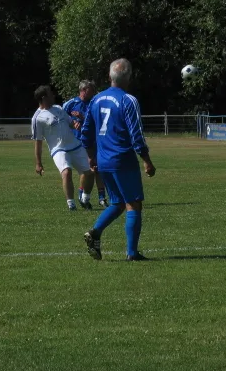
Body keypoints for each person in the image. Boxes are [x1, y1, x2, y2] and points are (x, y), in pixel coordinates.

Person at [81, 58, 156, 261]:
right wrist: (146, 160)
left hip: (104, 161)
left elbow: (86, 132)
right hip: (123, 159)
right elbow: (136, 134)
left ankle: (95, 232)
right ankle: (132, 253)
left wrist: (91, 156)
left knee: (118, 203)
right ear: (129, 77)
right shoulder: (128, 100)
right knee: (134, 203)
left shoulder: (96, 99)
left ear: (109, 76)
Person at [31, 85, 95, 211]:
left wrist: (75, 124)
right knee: (66, 172)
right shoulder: (37, 118)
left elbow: (70, 123)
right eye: (50, 93)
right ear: (44, 98)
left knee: (90, 173)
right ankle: (71, 205)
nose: (53, 95)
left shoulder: (58, 108)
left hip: (75, 146)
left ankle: (85, 199)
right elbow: (38, 142)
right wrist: (38, 163)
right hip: (58, 150)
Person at [63, 80, 109, 208]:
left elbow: (98, 120)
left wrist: (82, 118)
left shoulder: (95, 103)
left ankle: (101, 198)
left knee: (99, 168)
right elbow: (60, 120)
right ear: (83, 90)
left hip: (94, 141)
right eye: (91, 89)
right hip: (78, 143)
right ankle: (82, 195)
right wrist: (73, 122)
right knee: (87, 170)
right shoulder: (70, 104)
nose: (94, 91)